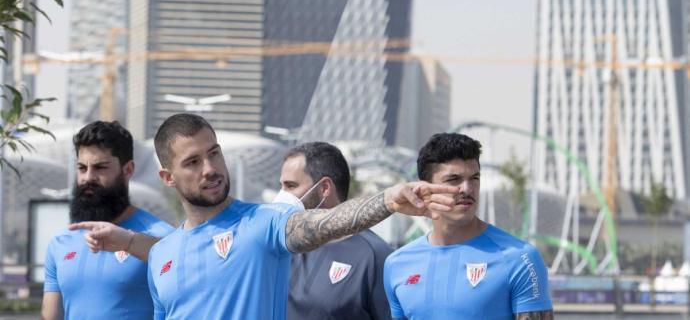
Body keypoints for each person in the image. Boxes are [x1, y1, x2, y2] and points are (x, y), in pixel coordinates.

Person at [71, 113, 459, 320]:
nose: (210, 168)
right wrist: (128, 241)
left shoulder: (264, 224)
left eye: (214, 153)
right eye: (193, 161)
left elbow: (327, 223)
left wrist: (388, 200)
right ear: (168, 177)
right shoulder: (161, 256)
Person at [383, 133, 553, 320]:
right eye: (453, 179)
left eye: (474, 178)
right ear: (425, 188)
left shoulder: (520, 258)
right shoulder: (397, 263)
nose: (467, 189)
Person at [41, 121, 174, 320]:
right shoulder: (60, 243)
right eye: (82, 168)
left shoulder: (161, 239)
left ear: (128, 170)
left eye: (100, 167)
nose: (88, 177)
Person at [274, 142, 392, 320]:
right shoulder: (281, 246)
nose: (282, 196)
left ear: (324, 188)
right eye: (281, 186)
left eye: (291, 186)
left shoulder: (374, 256)